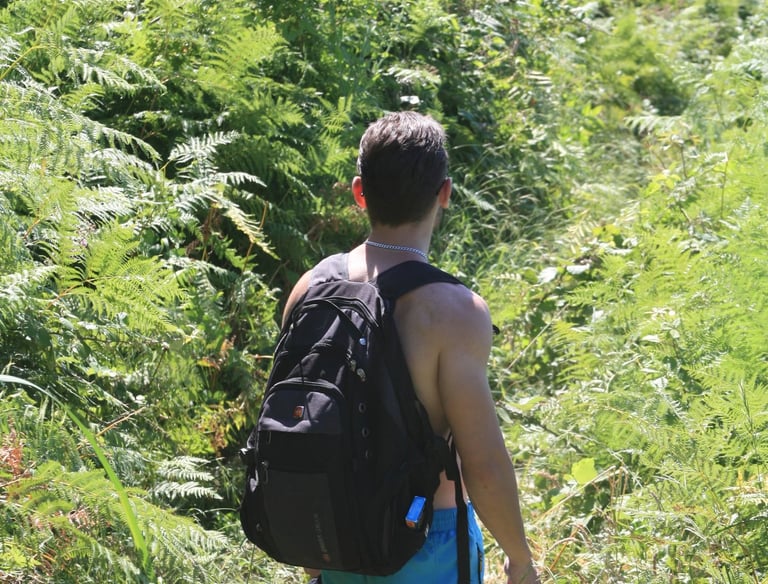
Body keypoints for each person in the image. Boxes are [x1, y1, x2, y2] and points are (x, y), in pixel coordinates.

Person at [282, 111, 540, 584]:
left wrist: (314, 553)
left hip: (334, 536)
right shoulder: (452, 312)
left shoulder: (310, 288)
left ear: (360, 191)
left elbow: (300, 428)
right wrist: (519, 559)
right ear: (444, 194)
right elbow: (481, 464)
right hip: (424, 540)